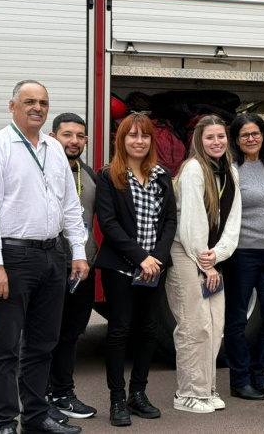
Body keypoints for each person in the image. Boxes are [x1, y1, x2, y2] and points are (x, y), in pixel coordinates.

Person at [0, 80, 89, 434]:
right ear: (13, 106)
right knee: (5, 347)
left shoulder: (54, 149)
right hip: (13, 256)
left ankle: (36, 418)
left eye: (43, 102)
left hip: (53, 256)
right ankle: (3, 422)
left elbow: (69, 205)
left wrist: (78, 252)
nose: (37, 107)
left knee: (42, 345)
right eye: (29, 101)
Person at [95, 113, 177, 426]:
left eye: (144, 136)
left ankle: (138, 394)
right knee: (119, 331)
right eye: (132, 136)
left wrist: (156, 257)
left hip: (154, 269)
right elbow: (109, 224)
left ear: (151, 141)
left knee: (149, 330)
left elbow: (170, 220)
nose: (139, 141)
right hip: (121, 268)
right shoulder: (109, 176)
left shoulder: (161, 175)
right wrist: (140, 258)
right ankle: (117, 399)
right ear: (122, 140)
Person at [166, 115, 241, 414]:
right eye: (210, 137)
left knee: (214, 325)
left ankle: (207, 390)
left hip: (210, 255)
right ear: (200, 140)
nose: (217, 142)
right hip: (186, 250)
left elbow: (233, 221)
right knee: (193, 324)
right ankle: (187, 393)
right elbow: (191, 221)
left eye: (221, 136)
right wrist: (205, 262)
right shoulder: (194, 169)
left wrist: (218, 255)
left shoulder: (232, 171)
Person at [224, 114, 264, 400]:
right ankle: (240, 380)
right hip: (242, 253)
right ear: (236, 141)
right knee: (237, 320)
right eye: (244, 135)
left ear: (263, 135)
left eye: (255, 133)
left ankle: (260, 375)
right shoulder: (230, 170)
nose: (251, 138)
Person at [46, 113, 98, 421]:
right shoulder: (44, 171)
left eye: (80, 135)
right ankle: (40, 399)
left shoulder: (87, 173)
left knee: (71, 334)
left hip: (82, 269)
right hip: (51, 266)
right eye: (67, 134)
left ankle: (63, 394)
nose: (74, 141)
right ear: (53, 137)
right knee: (43, 336)